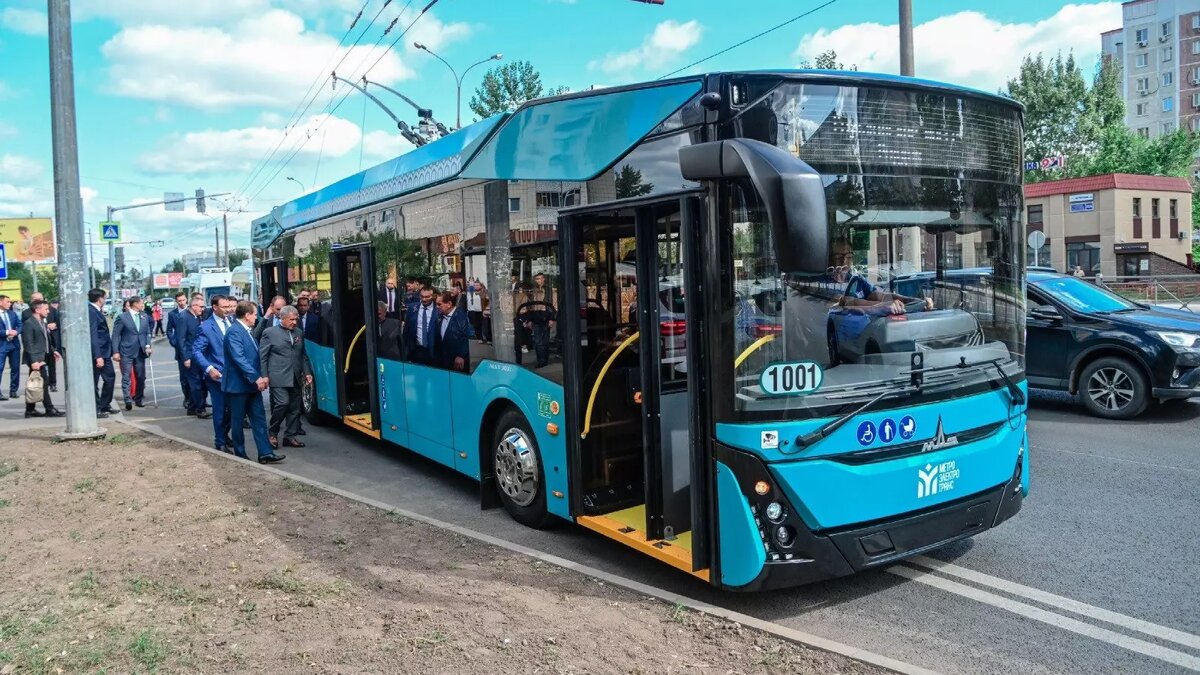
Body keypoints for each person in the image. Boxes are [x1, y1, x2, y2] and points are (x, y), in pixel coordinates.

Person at [223, 300, 284, 464]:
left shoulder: (248, 331)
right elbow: (239, 359)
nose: (256, 317)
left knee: (259, 419)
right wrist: (255, 377)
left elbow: (256, 357)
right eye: (254, 314)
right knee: (237, 421)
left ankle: (265, 452)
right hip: (238, 386)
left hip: (251, 386)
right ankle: (240, 453)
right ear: (247, 315)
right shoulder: (234, 332)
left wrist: (262, 376)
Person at [259, 306, 312, 449]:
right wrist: (264, 376)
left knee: (295, 408)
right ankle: (273, 432)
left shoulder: (299, 332)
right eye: (291, 319)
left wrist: (307, 372)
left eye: (296, 319)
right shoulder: (269, 333)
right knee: (282, 403)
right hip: (278, 376)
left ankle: (290, 436)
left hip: (295, 376)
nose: (294, 322)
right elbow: (263, 357)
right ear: (282, 318)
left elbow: (302, 355)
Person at [193, 295, 235, 452]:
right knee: (220, 409)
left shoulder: (231, 322)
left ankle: (224, 434)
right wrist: (209, 369)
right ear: (215, 307)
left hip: (234, 375)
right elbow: (197, 351)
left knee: (233, 409)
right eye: (224, 307)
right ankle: (220, 442)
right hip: (217, 376)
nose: (227, 310)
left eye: (228, 307)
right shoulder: (206, 327)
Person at [19, 299, 63, 418]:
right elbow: (28, 343)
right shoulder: (29, 323)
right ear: (37, 310)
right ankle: (49, 409)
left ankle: (30, 409)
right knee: (43, 382)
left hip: (43, 357)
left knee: (36, 383)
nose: (48, 312)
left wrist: (53, 351)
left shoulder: (41, 322)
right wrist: (34, 361)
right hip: (36, 358)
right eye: (46, 309)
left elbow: (45, 340)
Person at [111, 295, 153, 411]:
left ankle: (138, 399)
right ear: (135, 304)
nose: (142, 305)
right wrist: (115, 351)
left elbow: (147, 333)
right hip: (126, 351)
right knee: (126, 376)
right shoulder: (122, 317)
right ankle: (127, 399)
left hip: (140, 351)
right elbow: (115, 335)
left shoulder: (144, 316)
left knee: (141, 376)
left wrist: (148, 346)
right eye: (141, 303)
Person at [178, 296, 210, 419]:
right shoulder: (184, 318)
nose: (203, 309)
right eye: (201, 307)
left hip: (199, 355)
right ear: (194, 306)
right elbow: (181, 339)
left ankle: (192, 407)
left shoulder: (197, 317)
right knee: (196, 384)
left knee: (200, 382)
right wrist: (186, 358)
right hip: (190, 356)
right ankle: (200, 409)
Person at [88, 289, 116, 418]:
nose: (105, 300)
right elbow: (93, 335)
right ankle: (96, 408)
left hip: (105, 352)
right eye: (104, 298)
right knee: (94, 381)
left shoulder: (97, 310)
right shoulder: (91, 311)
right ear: (100, 298)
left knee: (110, 378)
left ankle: (105, 404)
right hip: (98, 353)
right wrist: (97, 355)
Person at [165, 291, 191, 409]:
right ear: (176, 302)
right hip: (180, 350)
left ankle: (197, 399)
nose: (181, 303)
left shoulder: (192, 311)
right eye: (179, 301)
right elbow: (169, 330)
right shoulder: (172, 314)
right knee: (184, 377)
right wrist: (173, 341)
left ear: (187, 300)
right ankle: (187, 397)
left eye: (183, 300)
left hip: (192, 348)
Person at [434, 290, 471, 372]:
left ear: (449, 304)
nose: (436, 306)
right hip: (442, 361)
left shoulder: (461, 317)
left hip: (457, 363)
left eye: (439, 304)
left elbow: (468, 337)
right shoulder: (439, 317)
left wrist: (461, 356)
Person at [404, 286, 438, 366]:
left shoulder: (438, 309)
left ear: (432, 296)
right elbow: (406, 330)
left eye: (427, 297)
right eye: (422, 297)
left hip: (434, 351)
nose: (424, 299)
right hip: (416, 350)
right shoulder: (412, 308)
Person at [0, 295, 22, 400]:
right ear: (0, 303)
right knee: (0, 368)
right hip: (2, 345)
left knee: (15, 368)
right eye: (7, 302)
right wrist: (7, 332)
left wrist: (16, 332)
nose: (10, 304)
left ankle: (13, 390)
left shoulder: (12, 314)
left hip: (14, 344)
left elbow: (20, 325)